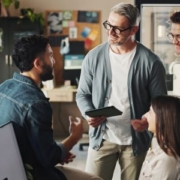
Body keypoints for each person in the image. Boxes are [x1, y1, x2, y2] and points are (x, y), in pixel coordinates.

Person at [76, 3, 167, 180]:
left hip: (135, 141)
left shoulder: (152, 63)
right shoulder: (93, 57)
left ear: (134, 29)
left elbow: (160, 105)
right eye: (109, 25)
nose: (110, 32)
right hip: (102, 138)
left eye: (118, 29)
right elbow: (82, 94)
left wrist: (146, 122)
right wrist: (88, 113)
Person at [0, 35, 102, 180]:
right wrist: (74, 137)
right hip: (31, 174)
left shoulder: (4, 86)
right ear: (38, 63)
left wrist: (58, 152)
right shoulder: (37, 103)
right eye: (50, 56)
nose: (54, 61)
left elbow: (27, 141)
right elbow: (49, 159)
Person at [139, 95, 180, 179]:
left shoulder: (166, 160)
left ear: (163, 118)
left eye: (150, 112)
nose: (145, 116)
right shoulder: (157, 150)